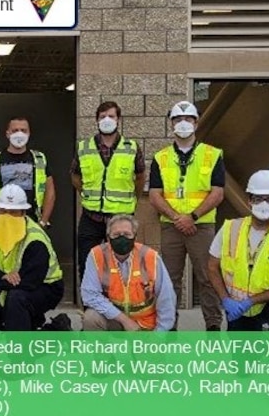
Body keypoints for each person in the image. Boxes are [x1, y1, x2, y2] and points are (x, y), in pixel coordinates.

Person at [148, 101, 226, 331]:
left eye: (188, 119)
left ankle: (212, 324)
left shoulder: (212, 154)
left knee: (207, 276)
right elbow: (154, 195)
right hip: (171, 226)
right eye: (178, 120)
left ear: (196, 123)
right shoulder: (160, 157)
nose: (183, 124)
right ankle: (169, 325)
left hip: (201, 226)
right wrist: (177, 217)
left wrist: (192, 216)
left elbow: (218, 192)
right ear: (171, 123)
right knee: (170, 279)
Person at [207, 170, 269, 331]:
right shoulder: (229, 229)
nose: (264, 204)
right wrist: (225, 299)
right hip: (238, 307)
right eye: (258, 199)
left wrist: (251, 300)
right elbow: (212, 266)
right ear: (249, 200)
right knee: (245, 356)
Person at [0, 185, 64, 331]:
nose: (7, 217)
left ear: (23, 213)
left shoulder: (35, 239)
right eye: (2, 211)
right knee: (1, 286)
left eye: (13, 212)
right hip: (14, 280)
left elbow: (30, 282)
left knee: (16, 297)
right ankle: (2, 327)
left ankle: (21, 348)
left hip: (46, 286)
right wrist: (4, 277)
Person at [71, 101, 145, 283]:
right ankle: (90, 307)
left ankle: (121, 304)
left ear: (118, 119)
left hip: (121, 219)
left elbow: (140, 177)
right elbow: (75, 176)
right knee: (87, 263)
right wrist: (87, 194)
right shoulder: (84, 147)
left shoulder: (131, 147)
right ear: (96, 120)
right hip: (91, 217)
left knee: (123, 264)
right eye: (102, 116)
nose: (107, 120)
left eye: (111, 116)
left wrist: (133, 199)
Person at [81, 214, 176, 331]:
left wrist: (159, 334)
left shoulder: (150, 257)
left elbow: (167, 298)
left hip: (146, 325)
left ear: (135, 237)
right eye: (116, 235)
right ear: (108, 237)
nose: (122, 238)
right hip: (115, 320)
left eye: (127, 234)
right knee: (91, 318)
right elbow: (89, 295)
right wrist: (125, 320)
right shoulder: (96, 255)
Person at [0, 117, 55, 227]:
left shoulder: (40, 158)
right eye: (15, 130)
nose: (19, 134)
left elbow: (50, 191)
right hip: (1, 221)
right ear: (7, 134)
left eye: (23, 130)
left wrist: (43, 221)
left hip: (32, 221)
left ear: (29, 133)